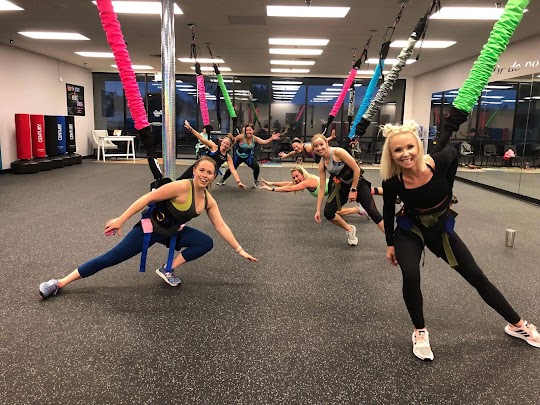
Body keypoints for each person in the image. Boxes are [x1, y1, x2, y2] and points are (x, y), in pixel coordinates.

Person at [380, 120, 540, 361]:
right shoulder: (393, 180)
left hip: (440, 229)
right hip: (410, 228)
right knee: (410, 274)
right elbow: (387, 209)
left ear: (418, 147)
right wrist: (390, 243)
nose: (405, 154)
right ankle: (420, 331)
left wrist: (449, 188)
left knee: (476, 276)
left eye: (410, 147)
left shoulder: (439, 161)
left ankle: (517, 325)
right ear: (391, 155)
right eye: (398, 150)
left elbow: (454, 154)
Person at [39, 156, 258, 299]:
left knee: (205, 242)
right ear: (194, 170)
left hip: (171, 233)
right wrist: (121, 220)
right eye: (202, 170)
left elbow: (221, 227)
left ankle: (167, 268)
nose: (205, 175)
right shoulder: (181, 187)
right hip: (149, 230)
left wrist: (239, 250)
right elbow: (147, 198)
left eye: (210, 173)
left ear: (214, 176)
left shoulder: (209, 201)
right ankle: (59, 283)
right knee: (110, 258)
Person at [312, 134, 385, 246]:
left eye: (321, 144)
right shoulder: (322, 164)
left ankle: (393, 240)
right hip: (342, 186)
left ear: (326, 143)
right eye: (316, 146)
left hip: (358, 183)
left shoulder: (338, 152)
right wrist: (317, 210)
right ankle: (350, 229)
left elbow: (356, 169)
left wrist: (353, 190)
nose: (319, 148)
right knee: (328, 213)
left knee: (373, 213)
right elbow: (321, 188)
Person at [260, 166, 369, 218]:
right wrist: (271, 183)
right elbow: (288, 184)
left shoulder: (308, 182)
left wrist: (272, 189)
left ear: (302, 174)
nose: (296, 179)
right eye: (294, 177)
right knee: (334, 212)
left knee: (333, 213)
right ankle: (362, 206)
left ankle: (359, 209)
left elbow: (290, 188)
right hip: (334, 188)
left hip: (337, 187)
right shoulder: (304, 180)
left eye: (297, 176)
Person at [179, 120, 247, 189]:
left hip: (210, 172)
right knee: (181, 180)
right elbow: (201, 138)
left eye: (227, 144)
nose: (224, 145)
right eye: (224, 143)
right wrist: (191, 129)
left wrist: (238, 182)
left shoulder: (227, 157)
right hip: (200, 166)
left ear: (229, 147)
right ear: (221, 142)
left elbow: (233, 170)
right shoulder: (214, 147)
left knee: (199, 187)